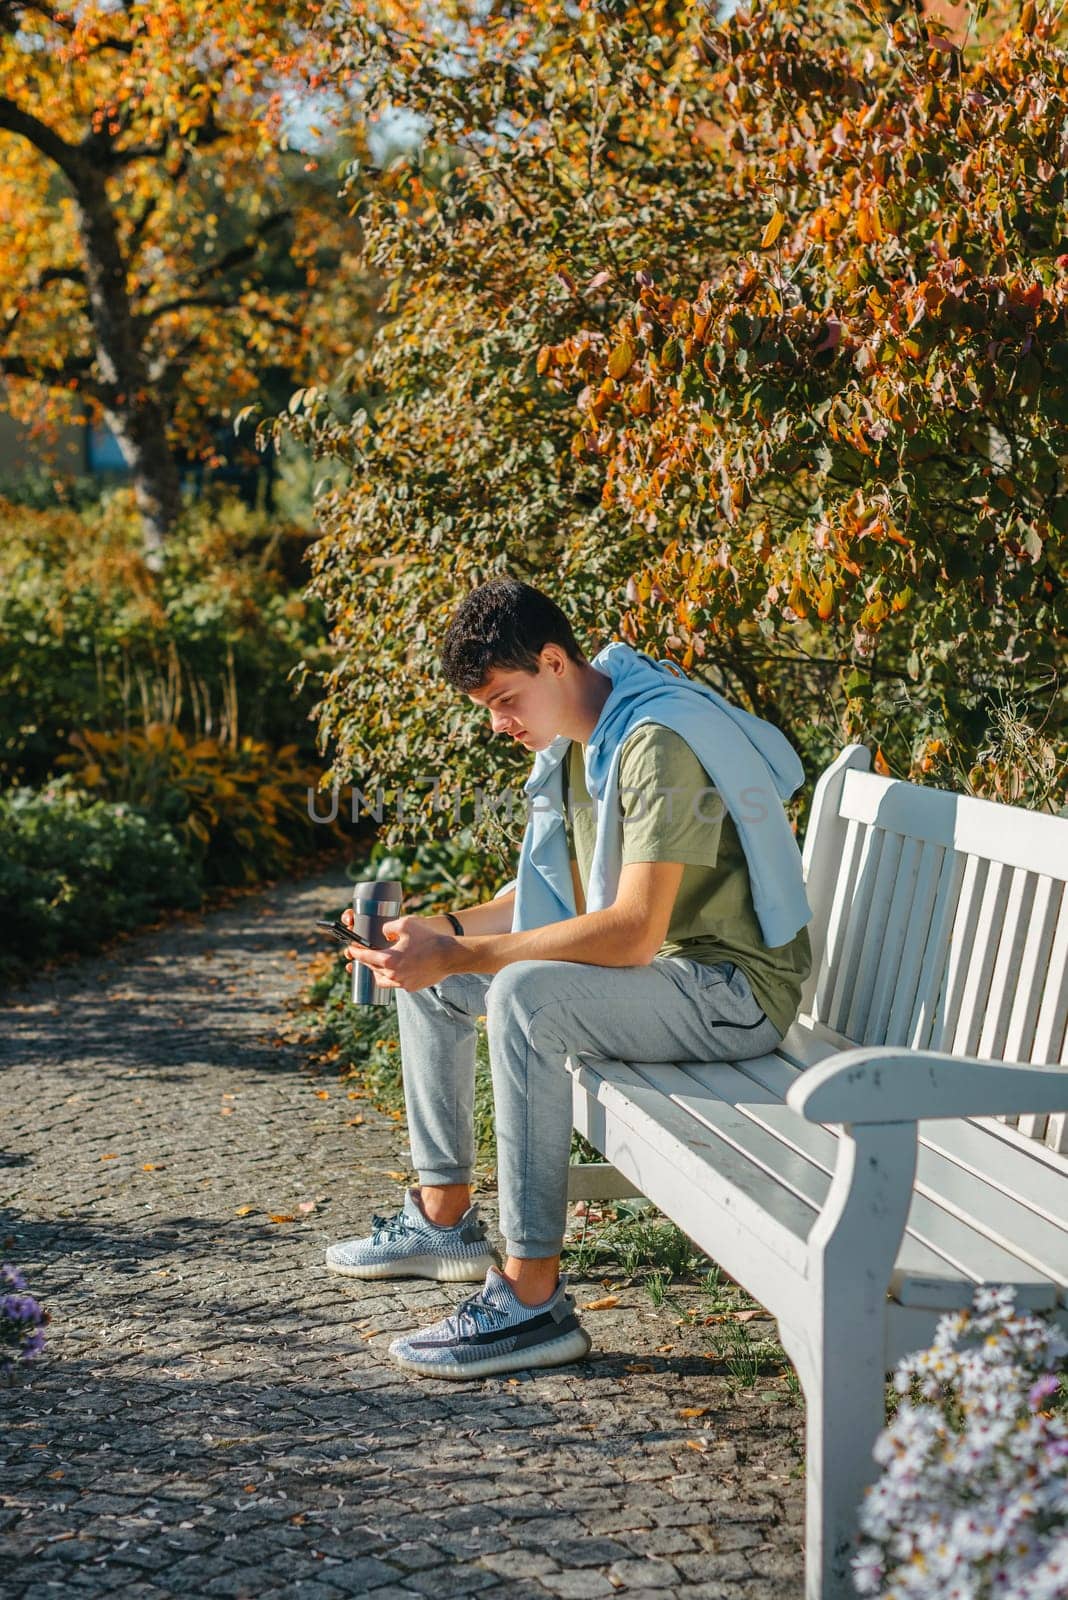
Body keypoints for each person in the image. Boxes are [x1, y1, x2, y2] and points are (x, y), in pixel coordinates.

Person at [326, 578, 812, 1381]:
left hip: (732, 994)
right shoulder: (591, 738)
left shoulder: (655, 742)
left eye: (507, 699)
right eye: (488, 707)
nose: (499, 723)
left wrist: (469, 955)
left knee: (520, 994)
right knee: (439, 979)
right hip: (668, 980)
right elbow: (557, 899)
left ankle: (530, 1298)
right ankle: (444, 1220)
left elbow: (631, 931)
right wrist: (439, 936)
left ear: (554, 662)